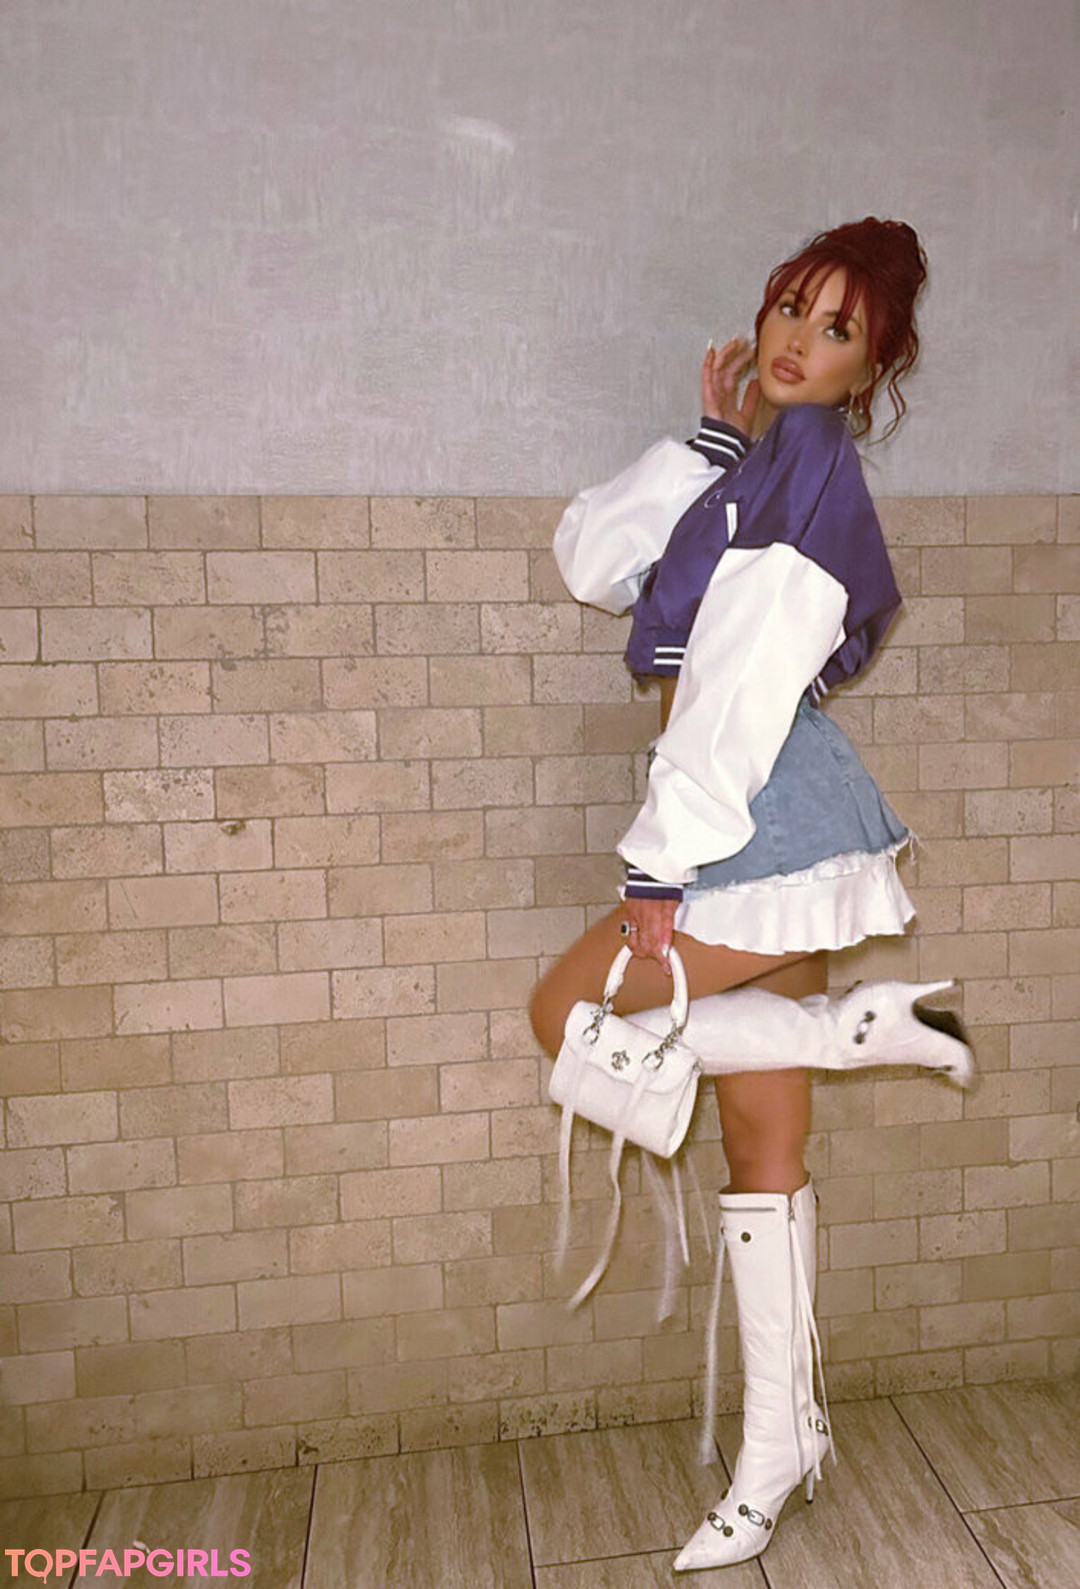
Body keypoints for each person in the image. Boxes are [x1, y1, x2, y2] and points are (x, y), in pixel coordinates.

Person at [529, 219, 970, 1572]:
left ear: (869, 368)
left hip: (749, 808)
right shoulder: (761, 464)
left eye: (837, 330)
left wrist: (662, 866)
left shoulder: (816, 464)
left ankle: (849, 1029)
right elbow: (592, 562)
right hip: (758, 806)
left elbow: (731, 693)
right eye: (790, 307)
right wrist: (709, 441)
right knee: (761, 1149)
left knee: (563, 1015)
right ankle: (785, 1446)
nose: (798, 339)